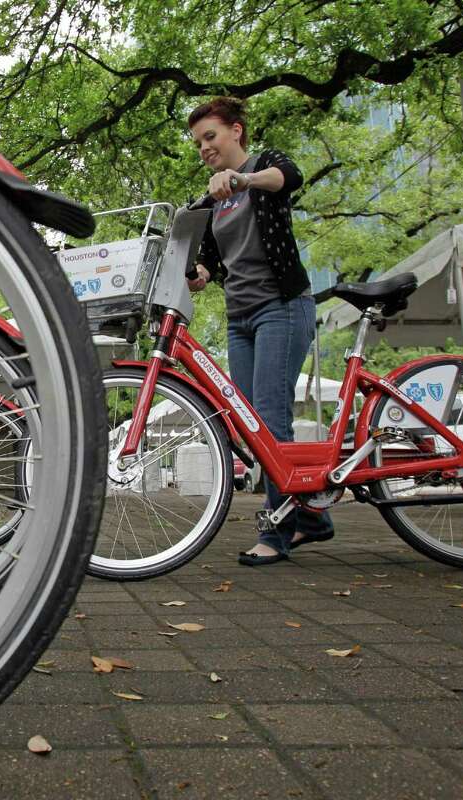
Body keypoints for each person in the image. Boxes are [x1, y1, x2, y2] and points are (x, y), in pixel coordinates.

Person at [185, 96, 334, 566]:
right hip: (240, 318)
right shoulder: (213, 199)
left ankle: (278, 532)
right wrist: (201, 274)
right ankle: (312, 516)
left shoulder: (261, 168)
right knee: (249, 426)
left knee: (269, 418)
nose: (204, 148)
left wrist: (242, 179)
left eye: (210, 136)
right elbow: (211, 258)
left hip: (282, 308)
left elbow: (291, 177)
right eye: (198, 143)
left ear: (237, 131)